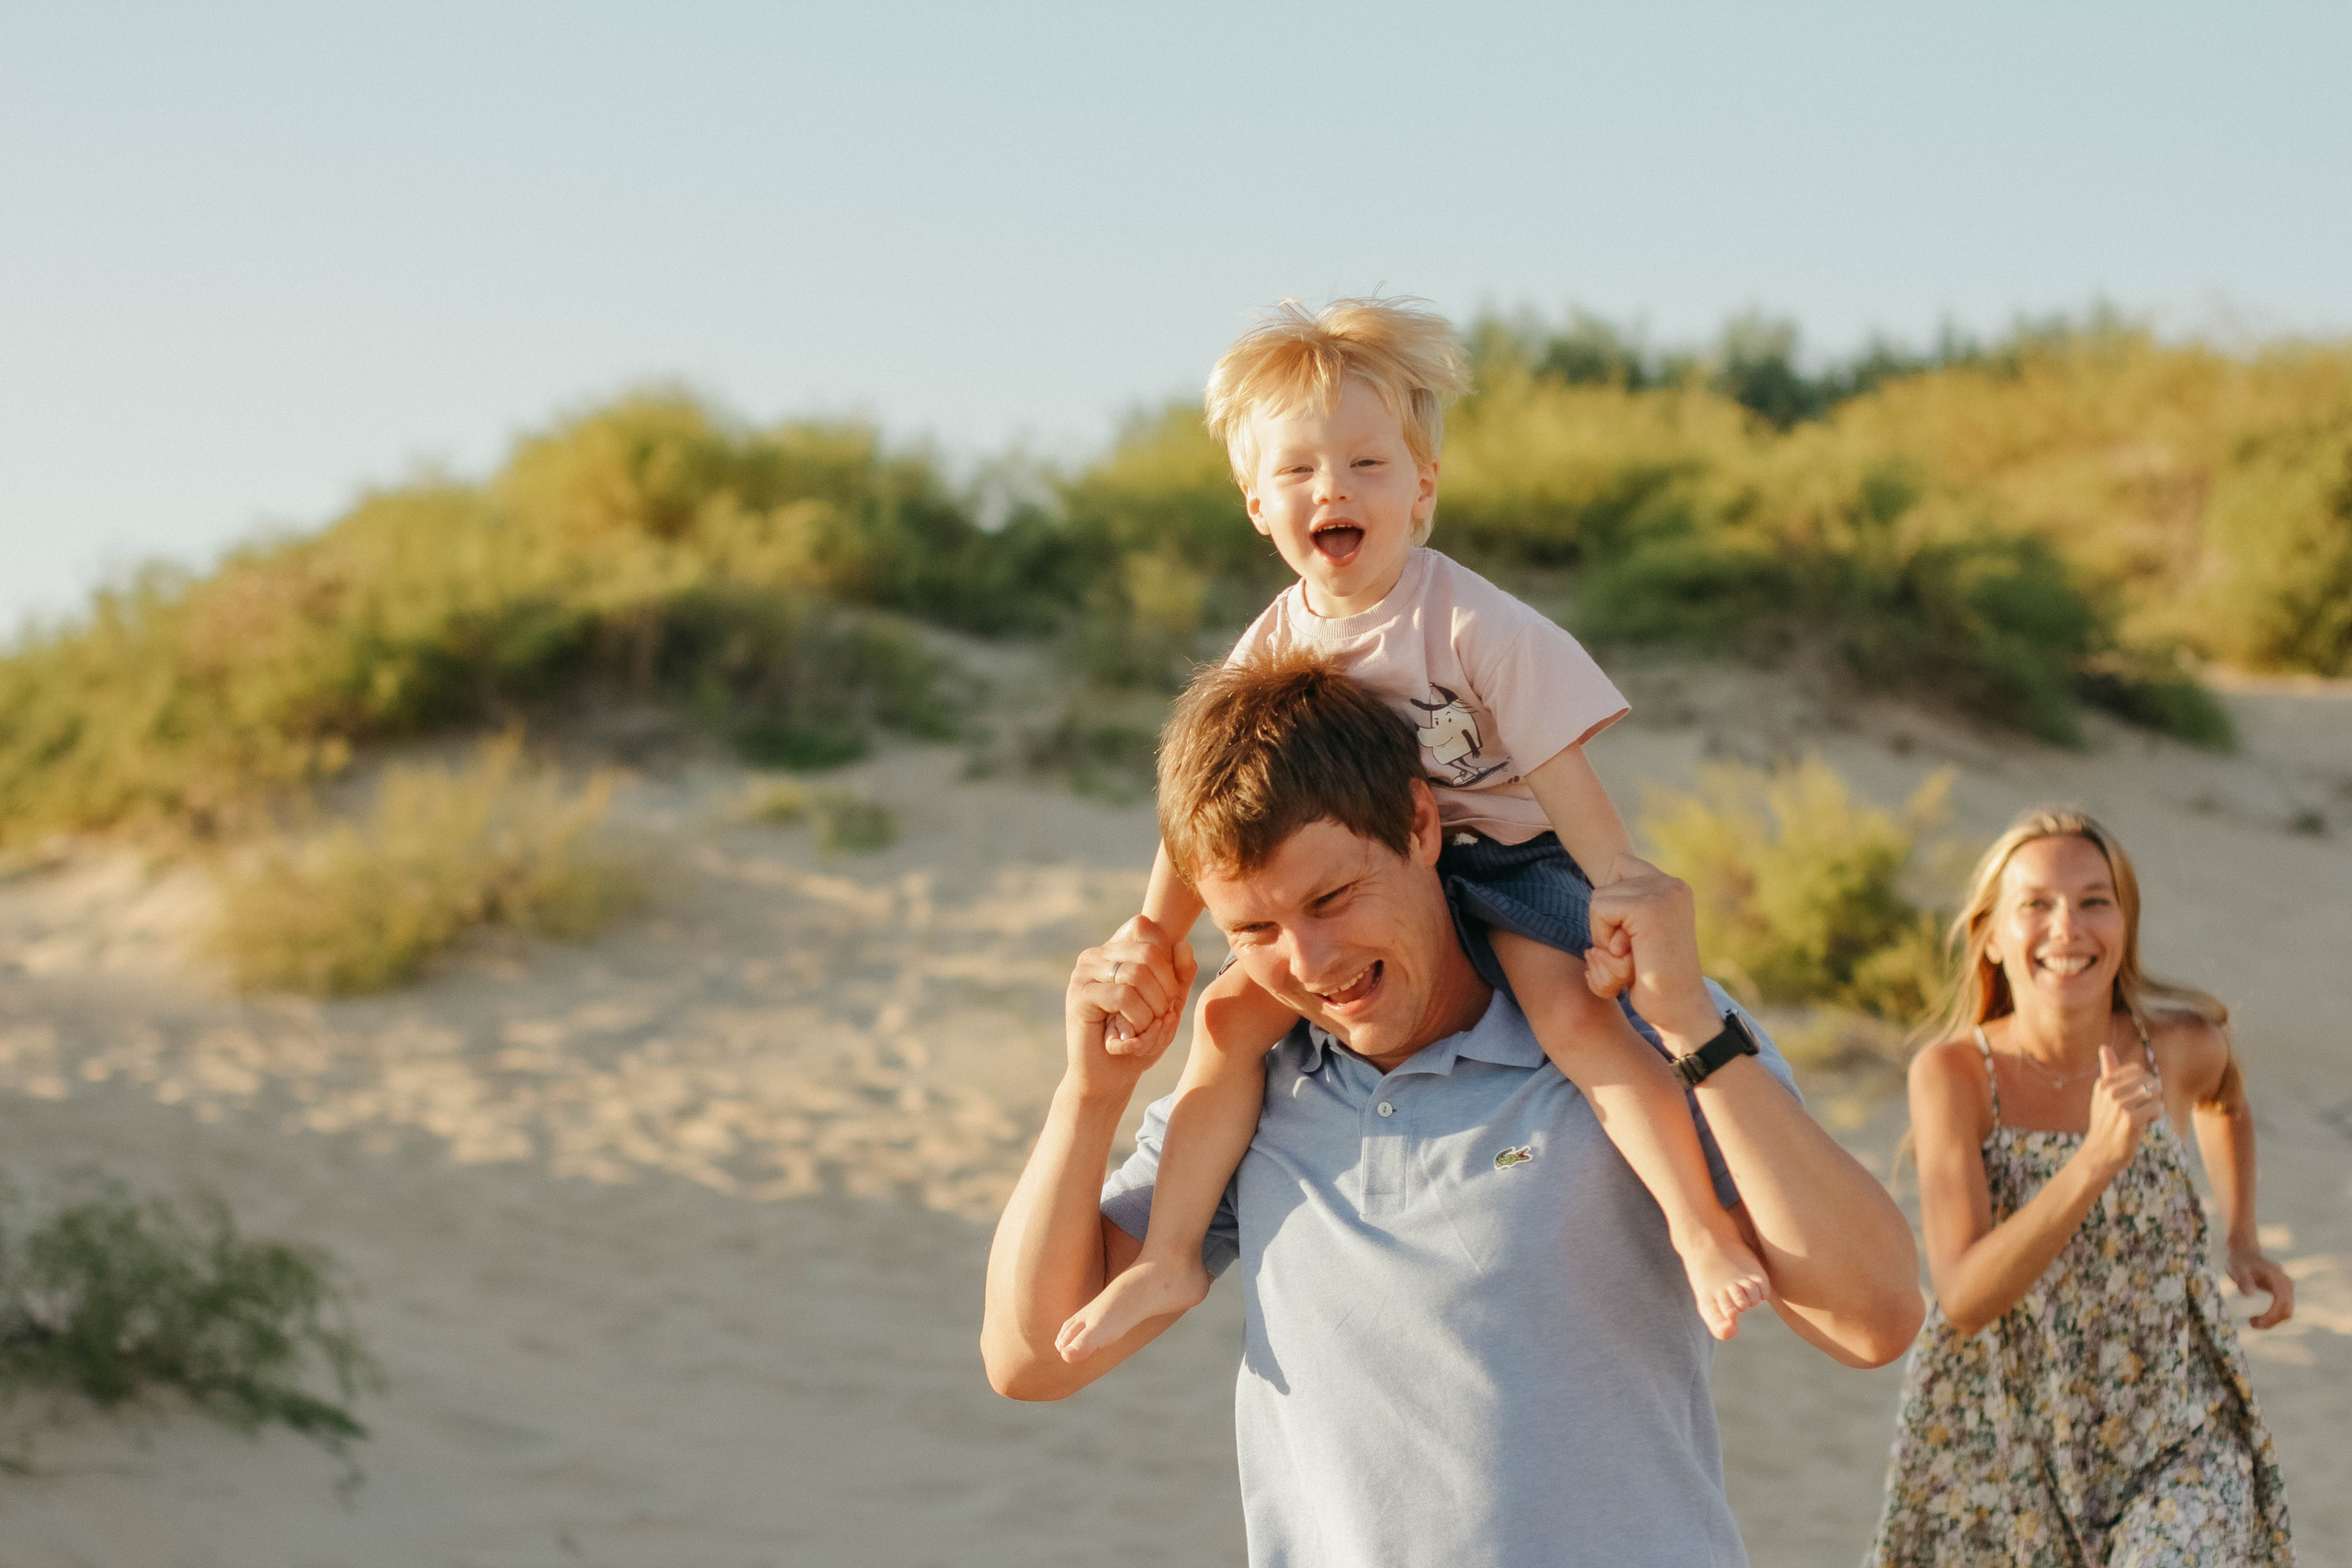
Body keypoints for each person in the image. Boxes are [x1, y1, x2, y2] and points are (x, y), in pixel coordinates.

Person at [981, 653, 1924, 1566]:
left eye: (1333, 896)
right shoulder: (1244, 1089)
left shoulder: (1621, 1024)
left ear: (1420, 823)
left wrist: (1690, 1026)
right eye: (1255, 930)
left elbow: (1873, 1321)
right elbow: (1031, 1360)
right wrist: (1090, 1094)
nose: (1308, 962)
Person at [1055, 296, 1770, 1363]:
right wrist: (1155, 932)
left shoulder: (1470, 621)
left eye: (1365, 465)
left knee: (1580, 1026)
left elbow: (1553, 766)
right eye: (1296, 471)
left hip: (1511, 859)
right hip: (1379, 876)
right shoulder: (1270, 644)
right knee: (1220, 1030)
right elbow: (1209, 808)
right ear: (1257, 506)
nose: (1330, 489)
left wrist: (1615, 880)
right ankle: (1167, 1252)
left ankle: (1700, 1230)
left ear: (1421, 489)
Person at [1870, 808, 2294, 1566]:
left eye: (2095, 900)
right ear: (1992, 936)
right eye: (2035, 903)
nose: (2068, 926)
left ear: (2124, 923)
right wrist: (2095, 1158)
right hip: (2003, 1434)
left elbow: (2225, 1102)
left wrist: (2242, 1236)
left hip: (2179, 1427)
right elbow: (1963, 1294)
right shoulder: (1955, 1076)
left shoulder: (2181, 1046)